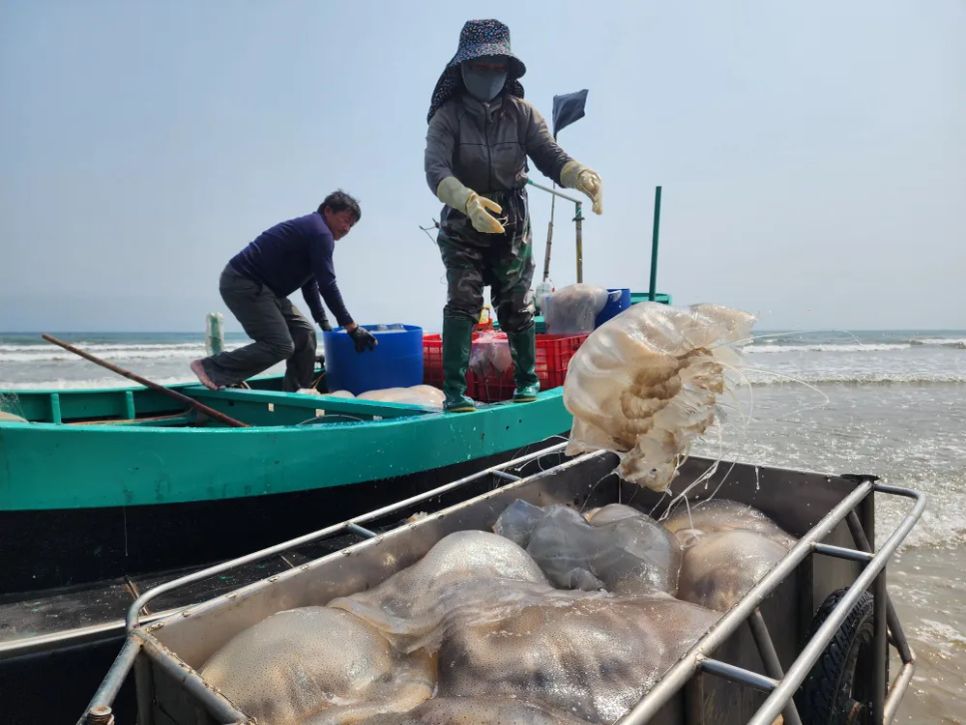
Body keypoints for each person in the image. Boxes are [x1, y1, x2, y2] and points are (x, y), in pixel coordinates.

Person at [424, 19, 604, 413]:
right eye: (480, 67)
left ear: (508, 71)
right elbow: (436, 170)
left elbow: (548, 154)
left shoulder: (522, 114)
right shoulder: (447, 117)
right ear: (462, 69)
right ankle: (455, 391)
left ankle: (527, 381)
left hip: (512, 217)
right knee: (463, 300)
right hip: (462, 215)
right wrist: (467, 201)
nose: (489, 75)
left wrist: (579, 174)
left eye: (496, 68)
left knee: (518, 301)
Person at [191, 190, 376, 392]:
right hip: (244, 282)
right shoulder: (321, 233)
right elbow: (328, 285)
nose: (346, 228)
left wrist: (323, 321)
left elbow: (311, 283)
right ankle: (211, 368)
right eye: (345, 220)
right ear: (328, 210)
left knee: (305, 334)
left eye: (351, 225)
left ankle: (298, 393)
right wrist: (351, 327)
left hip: (268, 290)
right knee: (279, 345)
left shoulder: (316, 232)